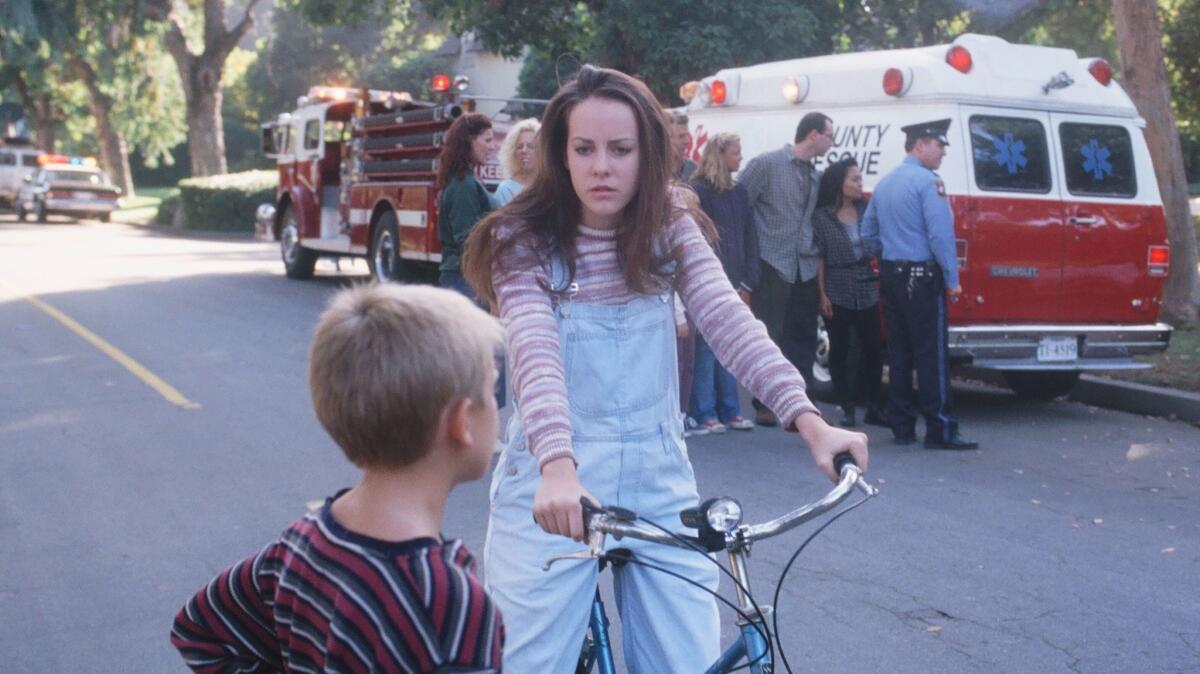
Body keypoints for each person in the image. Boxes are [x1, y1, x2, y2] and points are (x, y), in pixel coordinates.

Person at [462, 64, 868, 673]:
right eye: (585, 149)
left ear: (647, 154)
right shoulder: (523, 239)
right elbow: (533, 351)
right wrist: (558, 469)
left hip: (659, 476)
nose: (602, 166)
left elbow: (730, 322)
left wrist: (811, 421)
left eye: (620, 149)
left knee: (686, 660)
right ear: (560, 155)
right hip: (554, 481)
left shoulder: (670, 226)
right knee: (526, 662)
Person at [170, 284, 506, 673]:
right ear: (461, 422)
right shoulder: (449, 605)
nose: (499, 408)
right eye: (491, 387)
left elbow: (200, 632)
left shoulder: (303, 543)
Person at [861, 119, 979, 450]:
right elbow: (940, 235)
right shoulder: (929, 184)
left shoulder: (885, 183)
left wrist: (888, 257)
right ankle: (940, 428)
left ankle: (902, 426)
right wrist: (953, 280)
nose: (942, 152)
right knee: (931, 356)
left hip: (892, 276)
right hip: (922, 278)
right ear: (919, 145)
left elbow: (868, 233)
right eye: (938, 145)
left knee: (899, 354)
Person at [738, 111, 834, 426]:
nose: (831, 142)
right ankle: (765, 402)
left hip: (804, 263)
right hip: (772, 261)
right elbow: (741, 204)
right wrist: (748, 255)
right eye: (829, 135)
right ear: (813, 135)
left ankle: (801, 401)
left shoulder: (815, 175)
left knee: (803, 334)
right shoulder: (767, 164)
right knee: (770, 335)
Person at [687, 132, 759, 434]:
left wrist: (749, 281)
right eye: (735, 152)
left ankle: (730, 410)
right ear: (720, 155)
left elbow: (750, 236)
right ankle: (705, 412)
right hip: (709, 281)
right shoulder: (699, 191)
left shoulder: (739, 192)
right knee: (705, 350)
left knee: (729, 346)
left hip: (736, 279)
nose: (740, 158)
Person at [813, 157, 885, 429]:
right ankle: (846, 405)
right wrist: (822, 295)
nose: (859, 184)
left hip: (865, 283)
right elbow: (819, 257)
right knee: (840, 349)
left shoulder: (867, 209)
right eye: (854, 179)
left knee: (872, 349)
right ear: (839, 183)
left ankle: (874, 405)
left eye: (860, 179)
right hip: (837, 283)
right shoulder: (822, 217)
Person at [437, 112, 495, 298]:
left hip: (465, 279)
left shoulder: (467, 180)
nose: (492, 147)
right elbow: (467, 240)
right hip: (464, 281)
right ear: (470, 141)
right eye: (487, 141)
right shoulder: (464, 185)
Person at [494, 117, 541, 206]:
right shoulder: (506, 189)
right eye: (519, 147)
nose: (524, 150)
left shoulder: (551, 187)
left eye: (530, 146)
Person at [669, 110, 698, 180]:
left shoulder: (693, 170)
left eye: (687, 135)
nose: (687, 141)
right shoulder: (648, 170)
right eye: (681, 136)